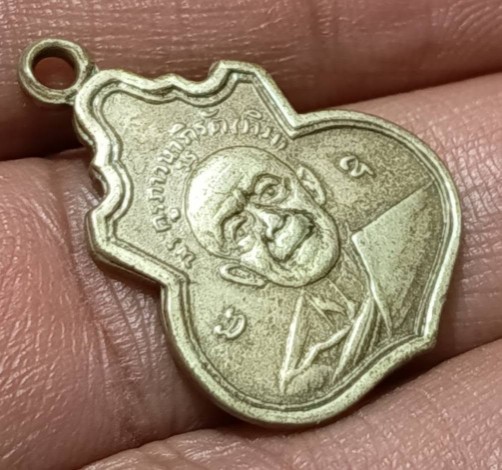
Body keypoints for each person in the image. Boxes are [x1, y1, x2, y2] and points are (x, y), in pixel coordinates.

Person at [1, 1, 501, 468]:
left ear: (309, 183)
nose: (271, 222)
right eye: (237, 227)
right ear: (236, 271)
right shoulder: (290, 377)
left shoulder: (412, 225)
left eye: (268, 190)